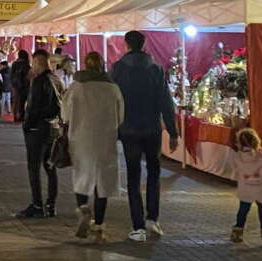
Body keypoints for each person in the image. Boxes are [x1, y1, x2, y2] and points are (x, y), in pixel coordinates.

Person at [110, 30, 179, 241]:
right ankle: (153, 219)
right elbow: (166, 102)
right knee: (154, 173)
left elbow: (112, 101)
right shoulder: (156, 69)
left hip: (128, 128)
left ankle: (138, 225)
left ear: (126, 45)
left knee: (133, 176)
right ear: (144, 44)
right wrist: (173, 132)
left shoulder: (117, 69)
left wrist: (111, 129)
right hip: (152, 128)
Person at [61, 51, 124, 243]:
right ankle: (99, 225)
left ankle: (83, 210)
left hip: (80, 139)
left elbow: (65, 114)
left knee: (81, 175)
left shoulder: (76, 87)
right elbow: (121, 116)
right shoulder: (112, 88)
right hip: (105, 138)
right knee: (102, 182)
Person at [18, 50, 61, 219]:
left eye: (34, 62)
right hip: (52, 128)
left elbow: (34, 108)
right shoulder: (56, 79)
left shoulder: (39, 82)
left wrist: (27, 125)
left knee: (34, 167)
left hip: (37, 129)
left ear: (38, 62)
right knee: (50, 167)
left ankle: (37, 204)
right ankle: (50, 204)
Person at [228, 127, 262, 246]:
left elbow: (235, 171)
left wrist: (246, 176)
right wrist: (257, 175)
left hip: (246, 188)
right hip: (261, 187)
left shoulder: (237, 157)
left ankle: (237, 232)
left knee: (243, 210)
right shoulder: (261, 156)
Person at [10, 50, 30, 123]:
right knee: (23, 101)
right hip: (25, 86)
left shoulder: (15, 64)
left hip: (16, 85)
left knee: (16, 101)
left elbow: (11, 75)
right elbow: (28, 76)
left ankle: (15, 116)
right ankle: (22, 115)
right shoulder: (26, 64)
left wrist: (13, 83)